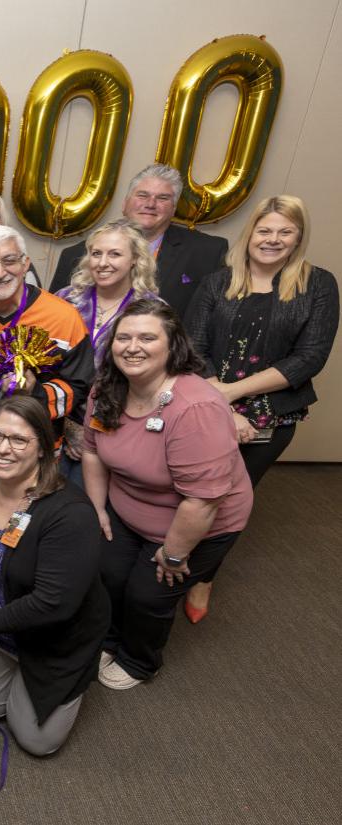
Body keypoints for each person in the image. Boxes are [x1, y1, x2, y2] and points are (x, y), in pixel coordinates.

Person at [81, 299, 253, 690]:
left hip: (197, 523)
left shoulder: (196, 407)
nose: (132, 346)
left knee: (147, 594)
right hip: (129, 508)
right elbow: (92, 449)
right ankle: (108, 640)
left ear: (172, 345)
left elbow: (203, 500)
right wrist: (97, 508)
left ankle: (141, 661)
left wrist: (175, 553)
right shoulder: (107, 387)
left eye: (146, 337)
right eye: (123, 337)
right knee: (107, 574)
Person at [183, 195, 339, 622]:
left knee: (231, 499)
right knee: (193, 493)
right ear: (250, 232)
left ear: (298, 238)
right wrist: (219, 400)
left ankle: (203, 576)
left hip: (273, 416)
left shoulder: (318, 285)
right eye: (265, 229)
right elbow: (193, 345)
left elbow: (310, 358)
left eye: (284, 232)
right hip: (204, 406)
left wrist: (231, 394)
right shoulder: (218, 282)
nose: (272, 239)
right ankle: (171, 558)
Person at [0, 396, 109, 756]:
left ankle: (73, 676)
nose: (3, 449)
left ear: (43, 448)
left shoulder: (69, 513)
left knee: (36, 742)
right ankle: (14, 678)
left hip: (53, 638)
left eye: (19, 440)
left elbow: (52, 602)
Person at [0, 225, 94, 468]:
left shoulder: (63, 317)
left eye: (9, 260)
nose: (0, 272)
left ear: (25, 264)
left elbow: (79, 385)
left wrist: (35, 392)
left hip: (33, 459)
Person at [55, 218, 162, 483]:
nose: (103, 263)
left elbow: (154, 380)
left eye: (115, 254)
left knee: (88, 508)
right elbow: (44, 365)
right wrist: (69, 428)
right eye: (96, 253)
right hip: (58, 423)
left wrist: (93, 433)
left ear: (135, 259)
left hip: (115, 430)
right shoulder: (65, 300)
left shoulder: (152, 310)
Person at [49, 163, 228, 318]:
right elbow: (52, 320)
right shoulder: (76, 255)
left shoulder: (208, 252)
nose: (150, 204)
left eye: (162, 198)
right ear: (125, 204)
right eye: (142, 195)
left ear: (173, 209)